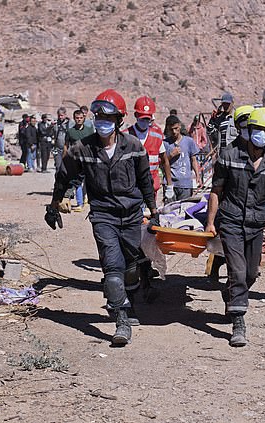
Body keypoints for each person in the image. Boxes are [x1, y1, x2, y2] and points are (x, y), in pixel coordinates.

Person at [49, 89, 157, 346]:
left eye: (108, 118)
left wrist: (153, 210)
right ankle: (121, 320)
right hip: (103, 215)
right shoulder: (82, 148)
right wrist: (54, 205)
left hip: (131, 215)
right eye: (98, 117)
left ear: (119, 120)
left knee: (131, 265)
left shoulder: (133, 147)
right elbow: (63, 176)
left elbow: (145, 181)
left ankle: (127, 300)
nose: (102, 122)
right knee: (112, 268)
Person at [205, 107, 265, 347]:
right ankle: (238, 322)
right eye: (257, 129)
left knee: (250, 274)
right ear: (249, 130)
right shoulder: (229, 156)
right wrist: (210, 223)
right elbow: (216, 191)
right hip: (231, 221)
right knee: (237, 271)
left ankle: (231, 294)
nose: (260, 134)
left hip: (256, 225)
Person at [207, 105, 255, 287]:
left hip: (249, 210)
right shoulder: (229, 152)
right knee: (227, 244)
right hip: (231, 207)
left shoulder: (259, 150)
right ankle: (221, 274)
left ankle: (232, 281)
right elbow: (217, 189)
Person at [124, 96, 174, 202]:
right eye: (142, 118)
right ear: (136, 115)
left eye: (147, 119)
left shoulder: (157, 136)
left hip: (151, 188)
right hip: (132, 187)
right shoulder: (125, 136)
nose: (145, 121)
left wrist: (169, 185)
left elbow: (165, 161)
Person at [163, 115, 201, 200]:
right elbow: (162, 163)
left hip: (185, 184)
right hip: (170, 184)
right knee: (169, 210)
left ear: (179, 126)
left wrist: (198, 175)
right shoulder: (165, 144)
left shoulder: (189, 141)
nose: (174, 132)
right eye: (171, 129)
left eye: (176, 128)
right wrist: (171, 155)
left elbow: (193, 160)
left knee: (184, 209)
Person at [65, 109, 94, 210]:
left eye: (81, 118)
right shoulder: (70, 131)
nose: (79, 120)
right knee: (77, 181)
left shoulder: (89, 130)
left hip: (88, 159)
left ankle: (88, 199)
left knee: (89, 180)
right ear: (74, 119)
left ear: (84, 118)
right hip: (75, 160)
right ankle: (79, 203)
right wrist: (65, 157)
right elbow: (66, 145)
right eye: (77, 118)